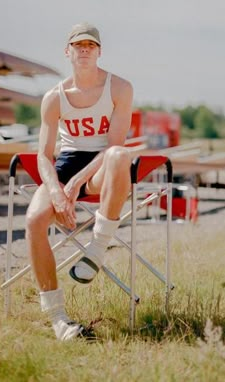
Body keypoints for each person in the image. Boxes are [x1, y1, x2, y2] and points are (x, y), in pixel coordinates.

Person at [26, 22, 134, 341]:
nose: (84, 50)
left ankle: (97, 248)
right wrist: (59, 193)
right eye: (78, 45)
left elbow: (114, 144)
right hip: (67, 161)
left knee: (119, 156)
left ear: (99, 52)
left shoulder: (119, 88)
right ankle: (59, 320)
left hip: (102, 164)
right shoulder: (54, 97)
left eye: (90, 45)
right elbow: (44, 156)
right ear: (67, 51)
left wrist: (77, 183)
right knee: (33, 220)